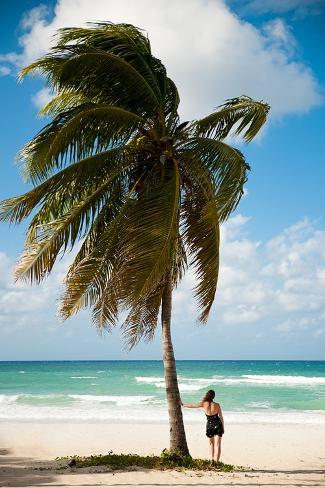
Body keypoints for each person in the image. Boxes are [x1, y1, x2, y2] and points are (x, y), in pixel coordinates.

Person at [181, 389, 224, 466]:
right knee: (218, 444)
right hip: (218, 424)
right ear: (213, 396)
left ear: (207, 395)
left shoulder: (204, 404)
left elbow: (193, 406)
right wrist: (223, 427)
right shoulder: (217, 405)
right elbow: (221, 417)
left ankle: (212, 460)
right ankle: (216, 462)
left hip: (210, 425)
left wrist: (183, 404)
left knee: (211, 444)